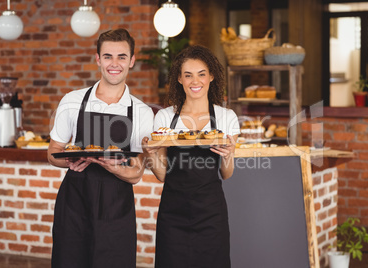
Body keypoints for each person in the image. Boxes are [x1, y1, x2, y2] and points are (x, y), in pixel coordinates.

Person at [47, 28, 154, 268]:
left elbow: (136, 173)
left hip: (116, 208)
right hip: (74, 203)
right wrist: (69, 160)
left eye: (122, 57)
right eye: (107, 56)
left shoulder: (141, 112)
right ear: (98, 59)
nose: (114, 64)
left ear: (132, 61)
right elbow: (52, 152)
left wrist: (113, 168)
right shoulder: (72, 101)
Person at [142, 45, 240, 268]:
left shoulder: (226, 117)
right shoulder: (166, 118)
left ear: (212, 76)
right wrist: (151, 153)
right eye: (188, 75)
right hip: (173, 211)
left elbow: (227, 174)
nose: (195, 81)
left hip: (211, 212)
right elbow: (162, 175)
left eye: (201, 74)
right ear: (179, 79)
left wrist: (228, 155)